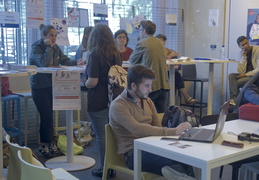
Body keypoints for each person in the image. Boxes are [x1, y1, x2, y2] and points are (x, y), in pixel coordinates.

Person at [109, 65, 196, 180]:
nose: (150, 89)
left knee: (187, 158)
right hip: (133, 153)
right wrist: (174, 131)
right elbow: (137, 129)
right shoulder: (118, 105)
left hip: (152, 146)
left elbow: (157, 127)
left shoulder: (148, 101)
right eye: (146, 86)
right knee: (176, 164)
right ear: (133, 86)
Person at [29, 24, 83, 158]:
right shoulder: (37, 47)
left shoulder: (55, 47)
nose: (54, 38)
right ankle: (44, 144)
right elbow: (44, 63)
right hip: (39, 87)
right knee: (46, 115)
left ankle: (50, 142)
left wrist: (77, 62)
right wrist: (48, 47)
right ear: (44, 36)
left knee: (49, 116)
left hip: (51, 85)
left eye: (55, 35)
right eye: (51, 35)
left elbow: (64, 59)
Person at [84, 24, 122, 177]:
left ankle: (105, 167)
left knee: (101, 135)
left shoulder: (94, 55)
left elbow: (92, 82)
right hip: (114, 98)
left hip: (98, 99)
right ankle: (113, 164)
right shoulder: (117, 54)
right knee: (111, 133)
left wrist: (84, 82)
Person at [129, 20, 170, 113]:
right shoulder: (159, 42)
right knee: (160, 116)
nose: (139, 32)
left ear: (144, 31)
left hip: (151, 86)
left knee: (147, 115)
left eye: (140, 30)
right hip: (163, 83)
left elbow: (132, 59)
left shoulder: (142, 43)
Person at [155, 34, 197, 105]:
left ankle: (174, 104)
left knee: (175, 75)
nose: (160, 42)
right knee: (176, 75)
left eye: (162, 40)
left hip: (169, 72)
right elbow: (160, 61)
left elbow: (178, 61)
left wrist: (177, 66)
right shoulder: (155, 51)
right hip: (160, 73)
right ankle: (186, 97)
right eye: (159, 40)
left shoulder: (169, 50)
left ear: (165, 41)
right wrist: (170, 56)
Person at [228, 36, 259, 105]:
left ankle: (235, 101)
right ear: (239, 47)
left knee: (234, 84)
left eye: (246, 43)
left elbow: (258, 69)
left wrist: (245, 75)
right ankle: (234, 99)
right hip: (246, 76)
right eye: (243, 45)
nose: (246, 46)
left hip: (254, 76)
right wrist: (243, 57)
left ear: (248, 42)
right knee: (231, 76)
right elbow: (241, 71)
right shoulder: (241, 54)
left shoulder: (257, 50)